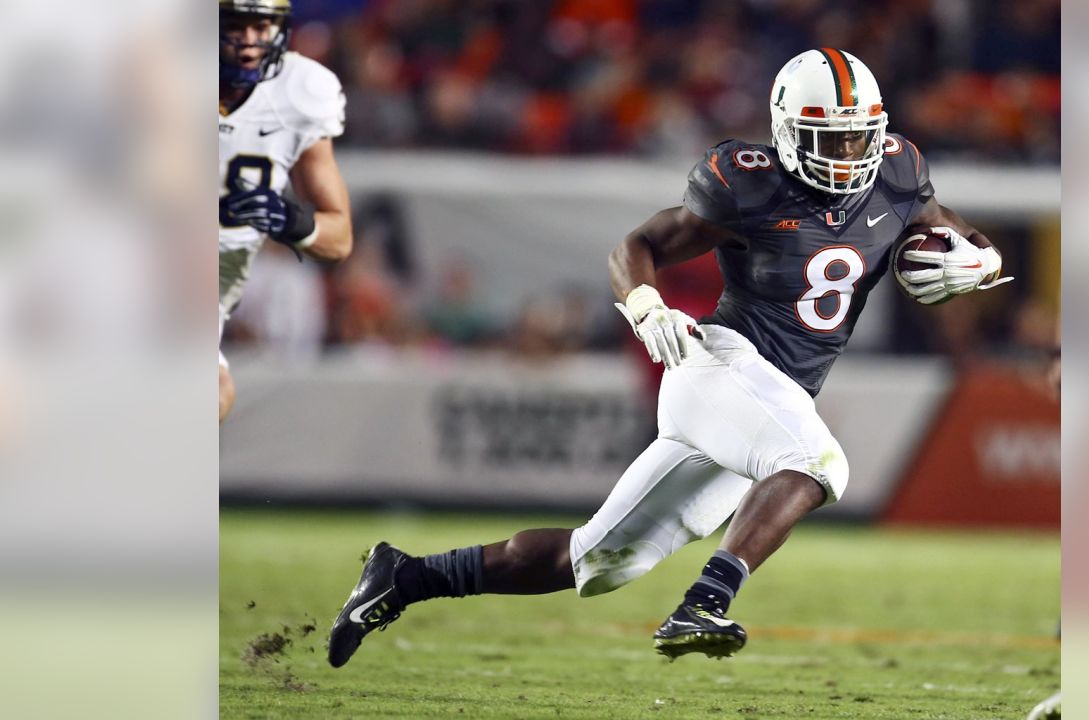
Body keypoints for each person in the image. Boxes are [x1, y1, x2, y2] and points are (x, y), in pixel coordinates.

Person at [327, 48, 1012, 668]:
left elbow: (945, 226)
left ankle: (404, 576)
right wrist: (646, 305)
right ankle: (703, 606)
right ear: (785, 132)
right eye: (829, 139)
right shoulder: (749, 184)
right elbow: (637, 246)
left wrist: (981, 259)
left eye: (859, 135)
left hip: (775, 398)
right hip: (717, 367)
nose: (847, 154)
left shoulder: (895, 170)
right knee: (816, 463)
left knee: (596, 561)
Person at [218, 0, 352, 422]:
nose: (249, 42)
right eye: (235, 26)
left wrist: (291, 221)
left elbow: (340, 236)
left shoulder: (300, 91)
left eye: (261, 26)